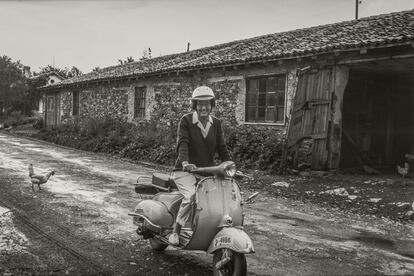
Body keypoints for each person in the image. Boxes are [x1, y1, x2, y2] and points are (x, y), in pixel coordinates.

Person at [168, 86, 230, 245]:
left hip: (206, 171)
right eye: (200, 104)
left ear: (212, 104)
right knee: (191, 196)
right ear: (194, 105)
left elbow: (221, 147)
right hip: (185, 171)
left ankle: (210, 227)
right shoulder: (186, 120)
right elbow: (183, 143)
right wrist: (185, 162)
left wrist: (230, 164)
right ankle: (176, 231)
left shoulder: (216, 123)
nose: (203, 107)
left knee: (220, 196)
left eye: (207, 103)